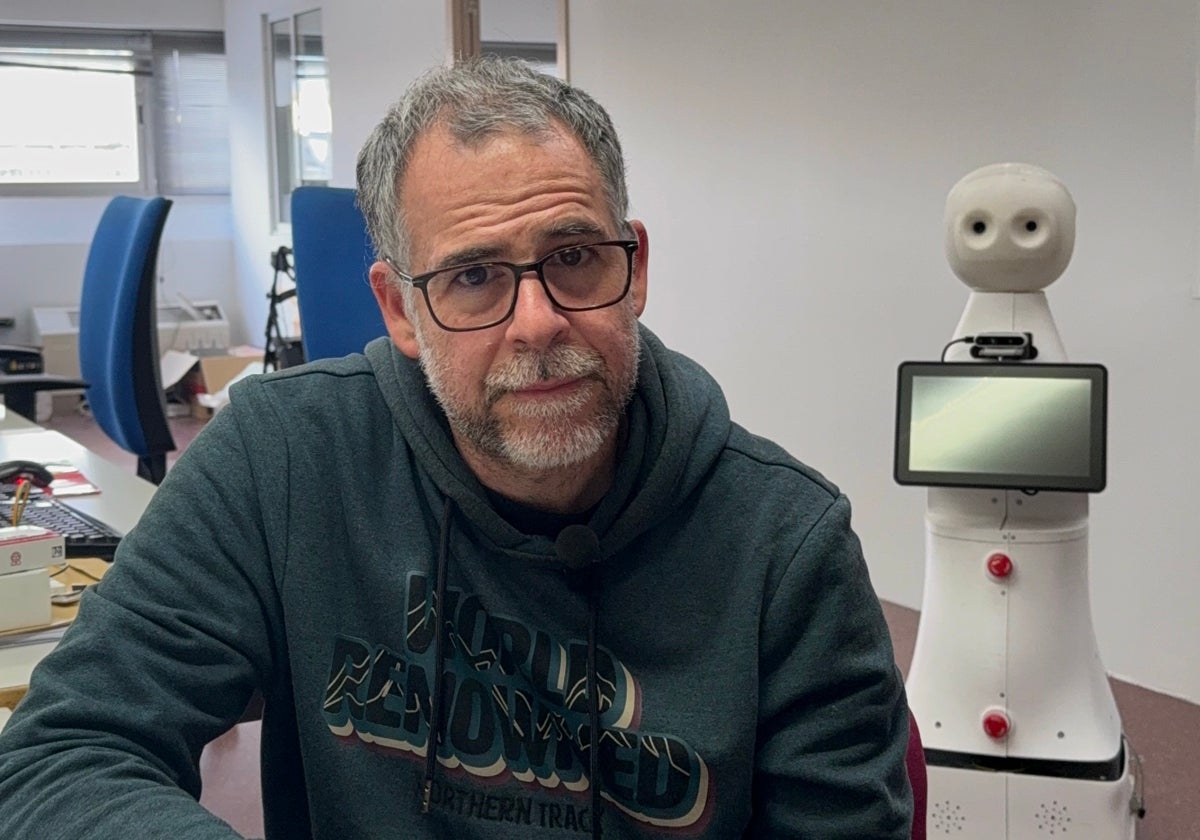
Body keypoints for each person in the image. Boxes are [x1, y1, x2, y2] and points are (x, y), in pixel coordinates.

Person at [0, 58, 912, 838]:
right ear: (399, 309)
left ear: (634, 265)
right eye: (474, 277)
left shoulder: (787, 543)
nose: (538, 322)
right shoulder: (282, 460)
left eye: (574, 257)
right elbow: (65, 754)